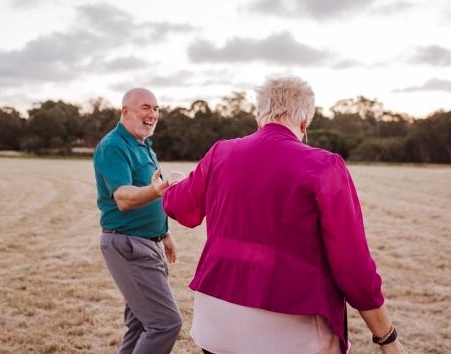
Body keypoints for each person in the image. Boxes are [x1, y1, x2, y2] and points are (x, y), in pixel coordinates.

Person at [162, 76, 407, 354]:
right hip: (291, 326)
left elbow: (181, 207)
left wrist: (175, 183)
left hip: (216, 322)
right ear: (304, 122)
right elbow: (352, 265)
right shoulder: (324, 165)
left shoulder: (220, 152)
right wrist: (387, 338)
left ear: (259, 116)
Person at [94, 88, 182, 354]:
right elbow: (123, 197)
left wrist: (164, 233)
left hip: (149, 243)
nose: (152, 114)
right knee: (165, 324)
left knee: (141, 325)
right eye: (145, 107)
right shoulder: (113, 146)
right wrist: (158, 190)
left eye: (156, 108)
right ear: (125, 111)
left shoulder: (143, 144)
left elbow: (148, 193)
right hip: (128, 245)